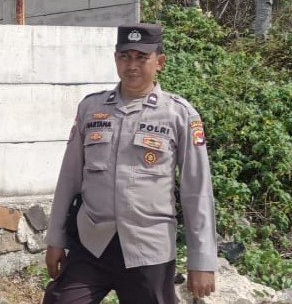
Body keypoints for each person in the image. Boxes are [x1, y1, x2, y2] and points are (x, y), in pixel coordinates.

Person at [41, 24, 218, 304]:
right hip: (93, 243)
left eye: (141, 57)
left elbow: (197, 192)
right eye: (125, 57)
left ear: (159, 62)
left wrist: (203, 259)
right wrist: (56, 239)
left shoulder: (179, 115)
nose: (131, 65)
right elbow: (69, 179)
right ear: (115, 58)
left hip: (148, 249)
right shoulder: (92, 108)